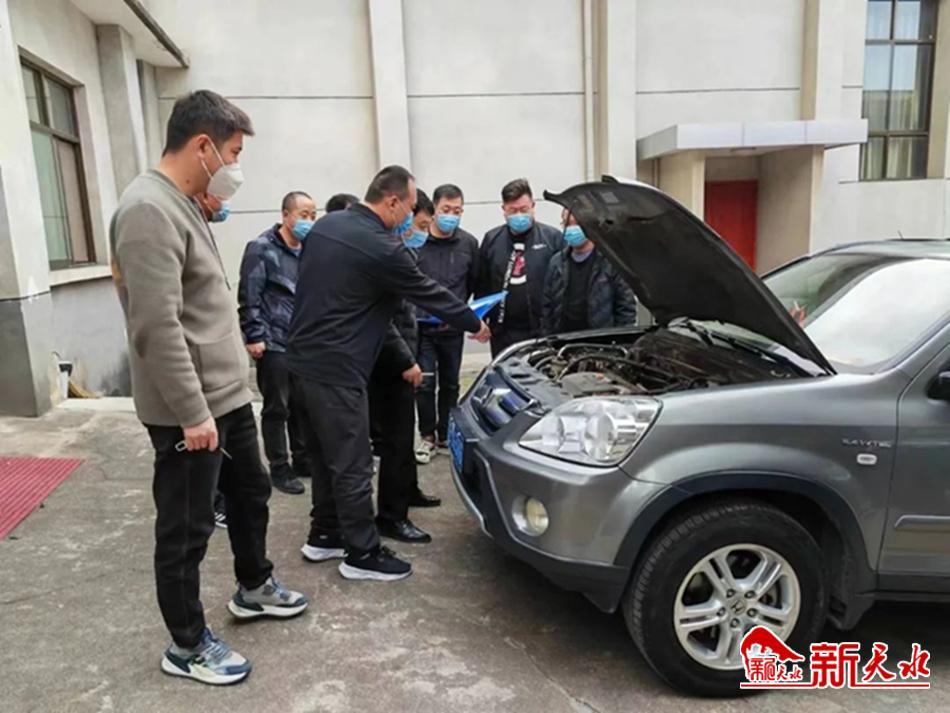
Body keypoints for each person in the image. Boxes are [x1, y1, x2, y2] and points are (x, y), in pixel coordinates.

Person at [110, 90, 308, 687]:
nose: (235, 166)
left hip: (225, 396)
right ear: (203, 146)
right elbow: (156, 325)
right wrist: (193, 413)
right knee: (187, 526)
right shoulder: (148, 210)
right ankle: (187, 643)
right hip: (189, 409)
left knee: (250, 492)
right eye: (233, 152)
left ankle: (253, 585)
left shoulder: (182, 202)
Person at [288, 165, 490, 582]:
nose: (412, 217)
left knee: (325, 459)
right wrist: (475, 322)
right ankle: (362, 553)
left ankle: (324, 534)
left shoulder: (326, 227)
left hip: (301, 363)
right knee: (354, 463)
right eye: (411, 208)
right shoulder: (382, 246)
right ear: (393, 201)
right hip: (339, 368)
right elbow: (428, 293)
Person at [369, 189, 440, 544]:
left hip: (403, 354)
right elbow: (383, 318)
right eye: (421, 224)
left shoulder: (402, 249)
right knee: (395, 440)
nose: (423, 232)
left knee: (404, 432)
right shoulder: (386, 253)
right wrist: (406, 360)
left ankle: (408, 490)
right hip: (390, 362)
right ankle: (392, 517)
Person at [238, 191, 316, 496]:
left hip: (302, 341)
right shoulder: (262, 248)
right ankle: (280, 468)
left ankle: (303, 459)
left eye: (313, 215)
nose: (309, 221)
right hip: (273, 340)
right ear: (285, 215)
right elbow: (250, 293)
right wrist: (254, 334)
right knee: (277, 407)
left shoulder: (309, 248)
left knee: (302, 405)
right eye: (303, 215)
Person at [413, 184, 479, 465]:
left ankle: (445, 434)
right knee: (425, 384)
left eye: (457, 211)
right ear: (434, 209)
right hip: (423, 328)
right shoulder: (418, 242)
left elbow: (473, 282)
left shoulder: (468, 244)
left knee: (451, 384)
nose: (451, 216)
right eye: (446, 210)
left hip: (453, 329)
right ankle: (427, 435)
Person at [476, 178, 563, 356]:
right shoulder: (492, 240)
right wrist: (479, 319)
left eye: (524, 209)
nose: (519, 215)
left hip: (543, 330)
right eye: (513, 211)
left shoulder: (552, 238)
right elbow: (482, 283)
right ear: (503, 210)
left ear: (533, 206)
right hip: (502, 331)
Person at [194, 191, 233, 529]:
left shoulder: (203, 228)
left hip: (223, 375)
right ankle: (212, 504)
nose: (225, 203)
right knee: (206, 458)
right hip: (202, 375)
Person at [541, 209, 638, 335]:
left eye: (577, 223)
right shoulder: (557, 262)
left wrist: (622, 339)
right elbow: (547, 308)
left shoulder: (611, 261)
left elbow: (626, 308)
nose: (572, 228)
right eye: (567, 224)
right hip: (564, 340)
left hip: (599, 341)